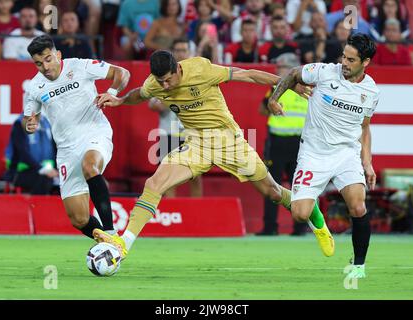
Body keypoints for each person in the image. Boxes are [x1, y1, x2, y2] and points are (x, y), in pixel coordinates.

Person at [94, 50, 335, 261]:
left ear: (178, 68)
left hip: (228, 140)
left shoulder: (200, 68)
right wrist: (121, 100)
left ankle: (313, 212)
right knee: (154, 184)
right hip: (196, 143)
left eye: (168, 80)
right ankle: (123, 243)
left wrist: (288, 84)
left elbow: (248, 74)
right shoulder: (155, 83)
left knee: (272, 192)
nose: (165, 86)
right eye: (161, 82)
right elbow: (141, 94)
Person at [267, 33, 380, 279]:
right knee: (300, 214)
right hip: (313, 154)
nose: (344, 63)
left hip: (345, 154)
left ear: (366, 62)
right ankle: (317, 218)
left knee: (358, 206)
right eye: (344, 57)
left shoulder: (371, 91)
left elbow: (365, 127)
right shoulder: (324, 72)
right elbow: (294, 73)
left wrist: (367, 162)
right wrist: (274, 100)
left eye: (351, 60)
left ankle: (358, 265)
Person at [22, 35, 131, 239]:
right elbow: (29, 117)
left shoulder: (81, 66)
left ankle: (110, 231)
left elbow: (122, 72)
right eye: (38, 63)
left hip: (94, 132)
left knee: (90, 166)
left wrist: (111, 91)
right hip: (66, 150)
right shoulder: (35, 87)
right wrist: (30, 124)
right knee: (79, 219)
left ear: (58, 55)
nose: (45, 67)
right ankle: (109, 243)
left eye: (48, 59)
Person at [256, 53, 308, 236]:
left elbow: (262, 110)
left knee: (292, 186)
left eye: (281, 68)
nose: (277, 71)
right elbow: (262, 110)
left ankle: (291, 227)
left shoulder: (293, 88)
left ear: (292, 69)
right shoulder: (294, 88)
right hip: (284, 143)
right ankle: (279, 227)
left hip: (293, 144)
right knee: (275, 185)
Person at [149, 38, 203, 197]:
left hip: (192, 134)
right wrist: (174, 92)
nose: (181, 53)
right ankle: (173, 215)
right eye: (178, 50)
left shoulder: (197, 76)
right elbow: (154, 105)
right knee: (168, 179)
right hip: (169, 134)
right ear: (173, 54)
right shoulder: (161, 76)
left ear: (189, 53)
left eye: (184, 50)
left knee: (196, 177)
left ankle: (197, 217)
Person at [4, 113, 58, 195]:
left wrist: (57, 169)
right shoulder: (20, 124)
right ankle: (37, 206)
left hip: (47, 170)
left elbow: (55, 148)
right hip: (21, 172)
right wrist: (43, 169)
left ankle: (56, 207)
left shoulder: (46, 122)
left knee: (66, 179)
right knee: (44, 179)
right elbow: (22, 153)